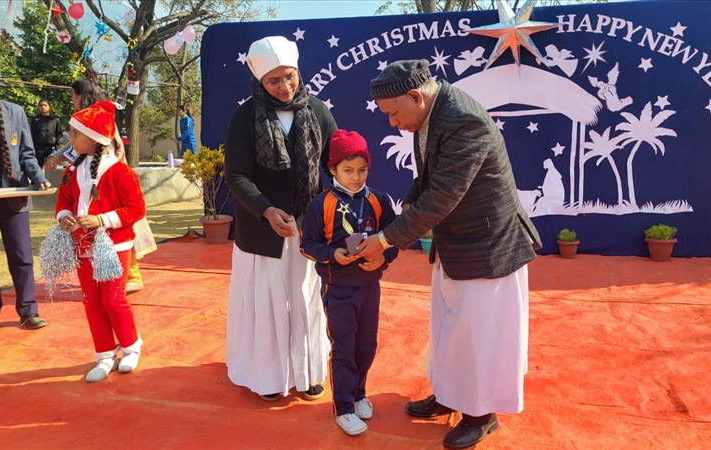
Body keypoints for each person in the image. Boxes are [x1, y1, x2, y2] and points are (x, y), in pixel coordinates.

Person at [356, 59, 543, 449]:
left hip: (487, 247)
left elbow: (444, 194)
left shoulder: (463, 120)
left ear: (414, 96)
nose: (393, 123)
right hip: (458, 243)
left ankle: (481, 416)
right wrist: (410, 202)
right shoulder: (428, 114)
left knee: (478, 338)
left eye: (394, 114)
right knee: (450, 330)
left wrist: (386, 240)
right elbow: (429, 175)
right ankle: (450, 395)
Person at [224, 35, 337, 402]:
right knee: (265, 303)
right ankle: (268, 376)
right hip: (261, 231)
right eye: (273, 80)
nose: (284, 86)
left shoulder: (318, 111)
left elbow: (336, 164)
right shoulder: (245, 117)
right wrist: (265, 210)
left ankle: (308, 371)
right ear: (259, 80)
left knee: (306, 298)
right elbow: (236, 174)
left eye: (290, 76)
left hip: (308, 228)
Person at [300, 130, 399, 436]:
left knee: (366, 345)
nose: (356, 177)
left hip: (370, 288)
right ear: (332, 169)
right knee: (344, 347)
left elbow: (395, 237)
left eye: (362, 170)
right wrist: (333, 255)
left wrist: (384, 258)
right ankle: (343, 407)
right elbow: (308, 245)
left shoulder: (378, 200)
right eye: (348, 170)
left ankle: (358, 394)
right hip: (338, 289)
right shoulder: (321, 204)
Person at [55, 100, 146, 382]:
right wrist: (64, 217)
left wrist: (101, 220)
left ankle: (130, 346)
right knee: (92, 302)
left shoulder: (121, 172)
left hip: (114, 247)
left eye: (76, 134)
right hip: (83, 246)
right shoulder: (71, 172)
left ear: (94, 138)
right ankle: (105, 353)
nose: (71, 139)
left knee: (113, 299)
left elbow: (136, 209)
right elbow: (63, 202)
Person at [45, 79, 152, 293]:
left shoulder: (99, 118)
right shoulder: (85, 121)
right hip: (93, 183)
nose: (72, 99)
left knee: (119, 233)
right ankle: (107, 276)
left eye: (73, 94)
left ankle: (128, 274)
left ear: (81, 95)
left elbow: (135, 208)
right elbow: (74, 147)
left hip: (108, 183)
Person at [0, 61, 50, 332]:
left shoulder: (15, 111)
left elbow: (27, 154)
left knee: (22, 255)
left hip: (15, 195)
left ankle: (28, 310)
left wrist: (39, 177)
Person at [30, 99, 66, 167]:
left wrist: (60, 143)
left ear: (49, 107)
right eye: (41, 105)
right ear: (38, 107)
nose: (43, 107)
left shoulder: (55, 120)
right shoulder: (35, 120)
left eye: (45, 105)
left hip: (51, 147)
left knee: (50, 167)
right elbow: (32, 133)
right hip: (38, 148)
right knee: (37, 167)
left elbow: (59, 133)